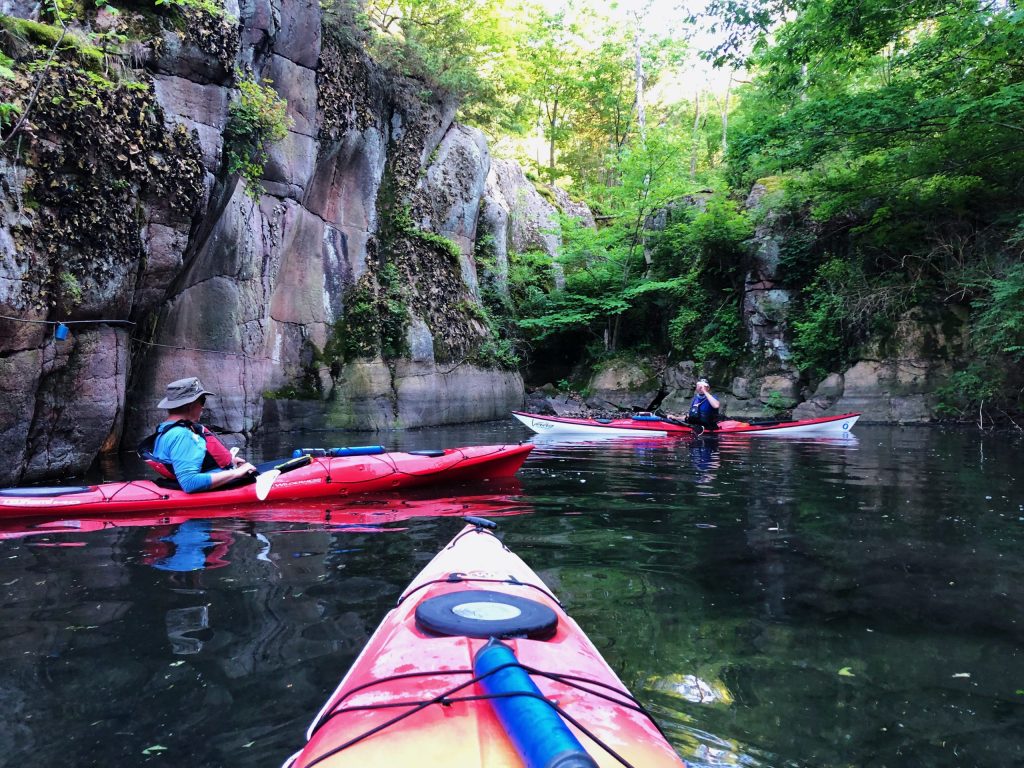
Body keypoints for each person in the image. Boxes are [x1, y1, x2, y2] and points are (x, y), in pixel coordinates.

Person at [137, 376, 257, 493]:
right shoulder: (182, 435)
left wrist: (232, 461)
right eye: (202, 400)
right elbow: (189, 483)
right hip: (211, 489)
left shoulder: (165, 429)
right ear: (191, 406)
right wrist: (236, 473)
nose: (203, 407)